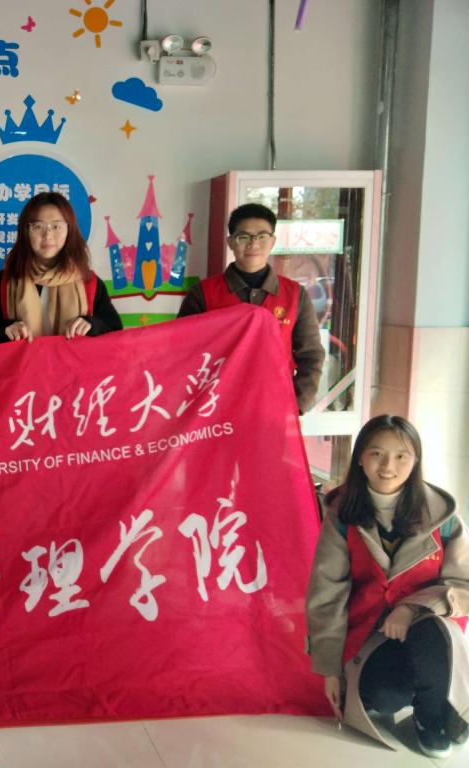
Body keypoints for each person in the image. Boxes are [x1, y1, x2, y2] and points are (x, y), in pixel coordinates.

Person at [306, 415, 469, 758]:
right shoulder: (342, 515)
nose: (388, 467)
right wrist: (330, 670)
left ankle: (430, 717)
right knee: (381, 697)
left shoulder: (443, 516)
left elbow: (463, 585)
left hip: (430, 630)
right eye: (377, 453)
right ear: (360, 458)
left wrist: (411, 608)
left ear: (416, 460)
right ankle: (426, 687)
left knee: (431, 636)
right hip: (371, 632)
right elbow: (328, 593)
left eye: (401, 456)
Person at [176, 203, 324, 413]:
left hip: (273, 408)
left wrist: (296, 405)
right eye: (243, 236)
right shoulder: (203, 294)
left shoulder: (294, 295)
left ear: (272, 241)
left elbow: (311, 355)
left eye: (262, 236)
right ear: (230, 242)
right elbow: (182, 352)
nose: (253, 244)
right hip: (216, 409)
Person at [0, 192, 122, 347]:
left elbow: (116, 334)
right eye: (38, 226)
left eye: (56, 226)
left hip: (73, 364)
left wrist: (92, 325)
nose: (48, 235)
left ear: (69, 230)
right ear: (25, 231)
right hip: (21, 364)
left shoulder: (90, 283)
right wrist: (5, 331)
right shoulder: (1, 283)